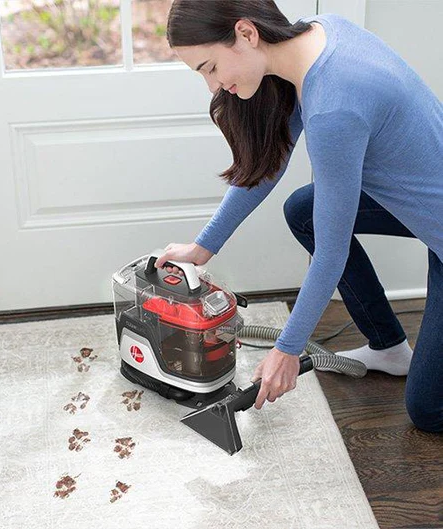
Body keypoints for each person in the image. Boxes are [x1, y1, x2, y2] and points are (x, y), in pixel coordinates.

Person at [155, 0, 443, 432]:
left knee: (428, 411)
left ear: (246, 33)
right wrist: (204, 246)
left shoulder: (333, 106)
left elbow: (331, 253)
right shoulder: (319, 35)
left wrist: (287, 350)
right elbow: (269, 165)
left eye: (210, 68)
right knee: (303, 210)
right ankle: (388, 348)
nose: (213, 86)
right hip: (428, 206)